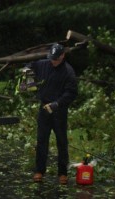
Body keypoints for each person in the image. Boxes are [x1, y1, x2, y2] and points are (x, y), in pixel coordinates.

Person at [27, 43, 78, 184]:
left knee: (61, 141)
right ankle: (39, 170)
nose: (53, 61)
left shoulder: (68, 71)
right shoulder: (44, 64)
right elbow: (32, 64)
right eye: (51, 58)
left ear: (62, 56)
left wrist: (57, 104)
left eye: (56, 59)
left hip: (59, 110)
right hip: (44, 108)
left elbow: (72, 93)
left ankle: (62, 172)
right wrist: (27, 69)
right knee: (42, 140)